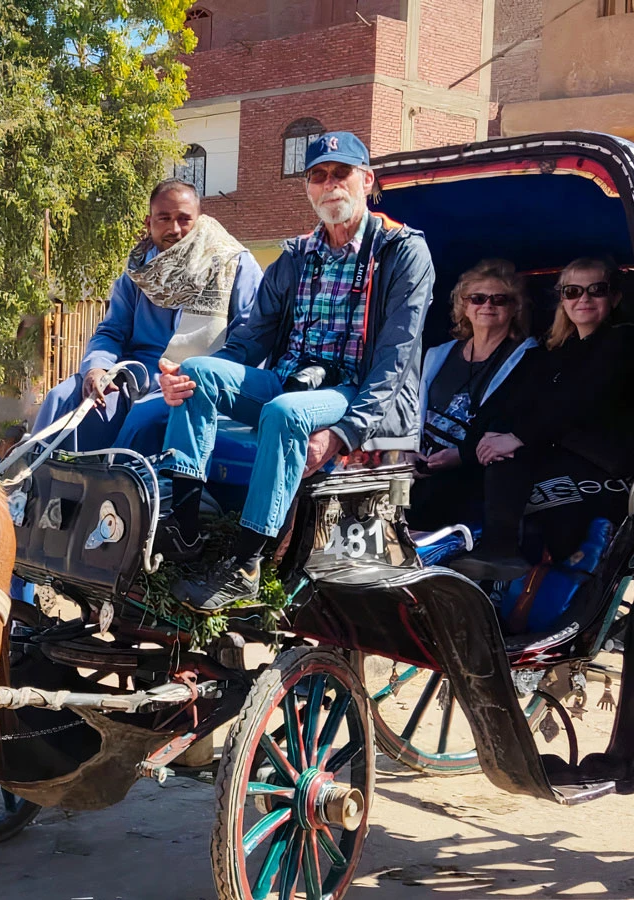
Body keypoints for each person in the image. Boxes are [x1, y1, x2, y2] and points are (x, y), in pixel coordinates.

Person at [156, 131, 435, 610]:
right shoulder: (295, 256)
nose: (330, 185)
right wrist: (186, 378)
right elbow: (249, 341)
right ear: (308, 188)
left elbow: (395, 360)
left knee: (286, 413)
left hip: (357, 392)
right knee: (198, 371)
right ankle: (184, 530)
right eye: (318, 176)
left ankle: (245, 564)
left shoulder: (401, 252)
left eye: (341, 174)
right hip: (292, 379)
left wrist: (344, 433)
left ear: (366, 180)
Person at [448, 257, 634, 583]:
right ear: (562, 300)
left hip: (612, 464)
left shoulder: (625, 340)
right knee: (487, 457)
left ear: (614, 298)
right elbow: (519, 402)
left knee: (510, 459)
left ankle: (502, 552)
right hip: (564, 450)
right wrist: (475, 446)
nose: (583, 299)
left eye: (596, 291)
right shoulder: (558, 349)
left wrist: (517, 437)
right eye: (572, 291)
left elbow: (582, 401)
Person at [31, 178, 262, 455]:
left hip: (196, 383)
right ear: (149, 221)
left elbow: (251, 337)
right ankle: (37, 492)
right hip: (135, 378)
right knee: (64, 399)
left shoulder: (233, 263)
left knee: (143, 421)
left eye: (184, 219)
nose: (174, 229)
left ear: (199, 220)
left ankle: (115, 491)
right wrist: (96, 368)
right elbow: (111, 331)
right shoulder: (138, 272)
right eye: (164, 218)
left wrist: (199, 375)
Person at [407, 259, 541, 531]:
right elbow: (411, 410)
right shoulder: (437, 354)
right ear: (464, 306)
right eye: (477, 299)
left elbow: (519, 422)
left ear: (515, 307)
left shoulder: (529, 357)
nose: (487, 306)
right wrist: (408, 452)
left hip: (473, 468)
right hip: (418, 463)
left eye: (499, 299)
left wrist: (461, 456)